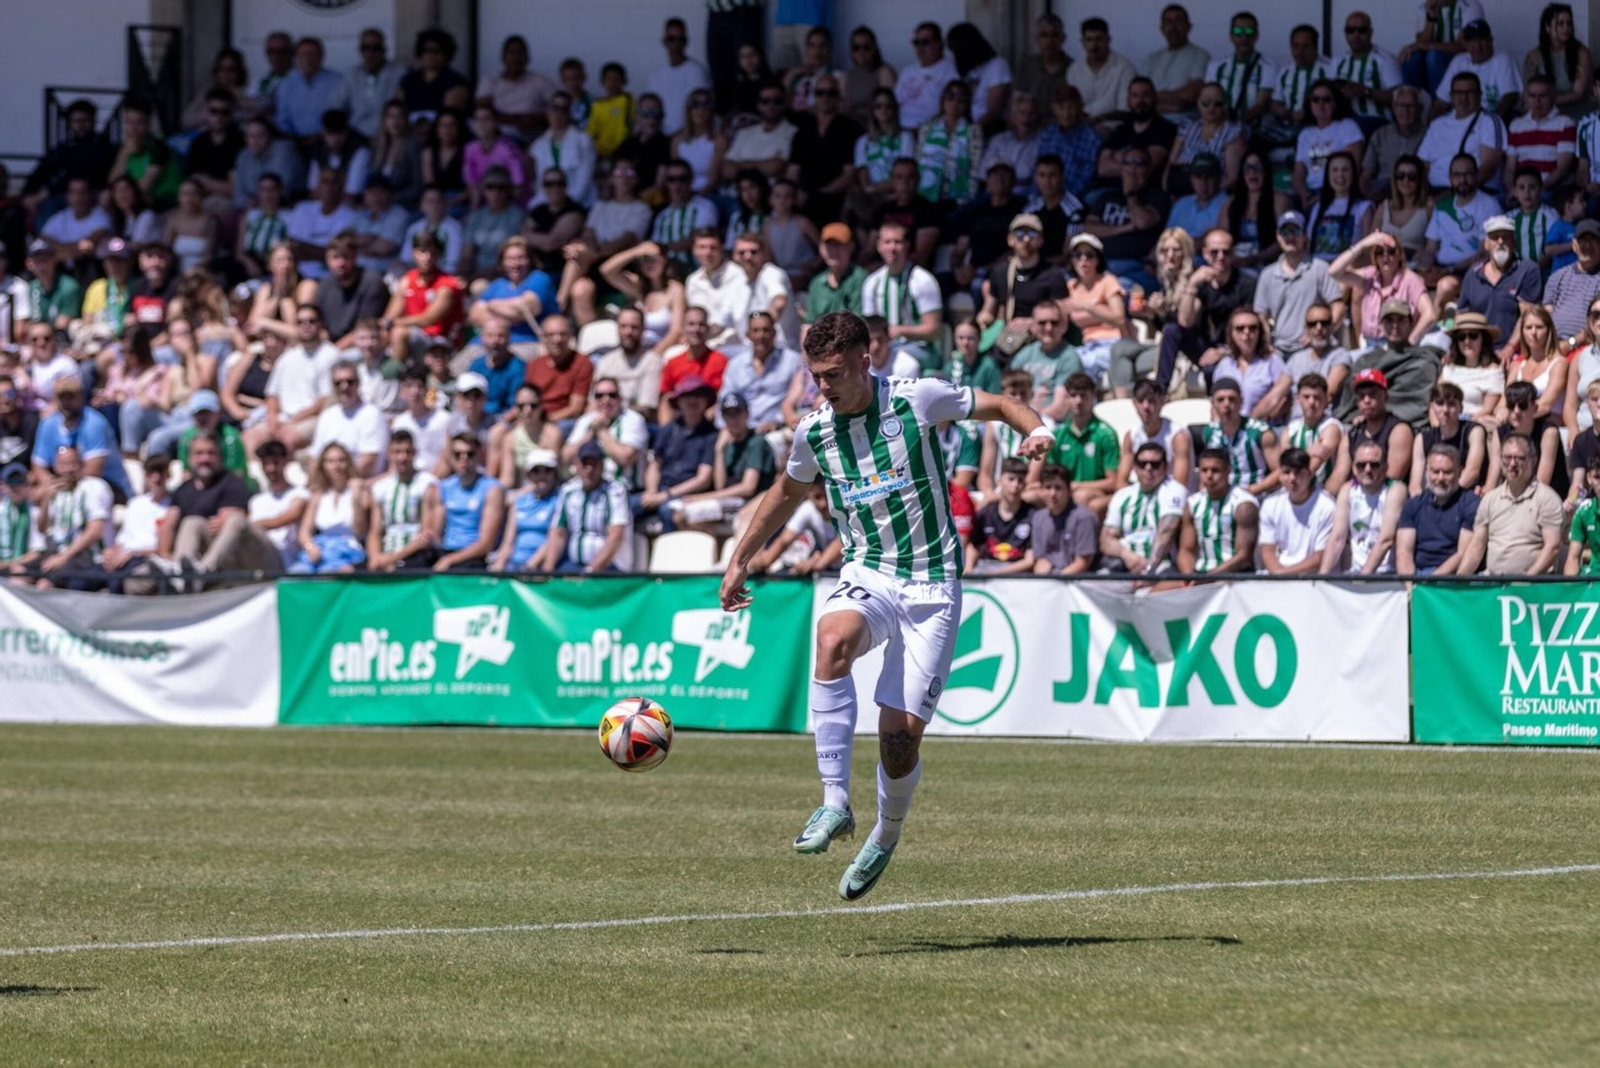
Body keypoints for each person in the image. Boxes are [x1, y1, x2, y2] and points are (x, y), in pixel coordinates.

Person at [719, 311, 1050, 899]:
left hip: (931, 584)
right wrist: (742, 557)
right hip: (868, 571)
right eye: (816, 375)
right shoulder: (815, 431)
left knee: (899, 742)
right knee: (831, 638)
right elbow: (787, 491)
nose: (824, 386)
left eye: (835, 373)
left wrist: (1037, 429)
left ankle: (886, 833)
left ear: (865, 361)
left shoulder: (916, 399)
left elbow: (999, 404)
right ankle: (833, 802)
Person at [134, 432, 281, 593]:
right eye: (199, 454)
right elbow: (168, 525)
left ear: (220, 457)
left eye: (211, 453)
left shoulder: (232, 482)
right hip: (212, 555)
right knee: (192, 522)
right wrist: (166, 555)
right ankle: (181, 575)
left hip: (253, 557)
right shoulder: (184, 490)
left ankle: (204, 572)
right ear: (189, 459)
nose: (205, 458)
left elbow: (224, 526)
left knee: (234, 520)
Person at [1162, 228, 1255, 393]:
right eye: (1214, 252)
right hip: (1206, 346)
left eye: (1225, 252)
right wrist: (1191, 285)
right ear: (1205, 254)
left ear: (1232, 254)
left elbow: (1251, 330)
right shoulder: (1201, 281)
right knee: (1171, 330)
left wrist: (1224, 351)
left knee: (1210, 371)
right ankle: (1159, 391)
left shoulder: (1245, 284)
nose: (1220, 257)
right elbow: (1184, 321)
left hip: (1234, 349)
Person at [1459, 431, 1563, 574]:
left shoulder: (1547, 499)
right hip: (1493, 584)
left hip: (1533, 588)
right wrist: (1457, 583)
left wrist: (1525, 580)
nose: (1512, 464)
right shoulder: (1490, 499)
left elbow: (1553, 547)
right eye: (1507, 457)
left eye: (1520, 458)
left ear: (1533, 460)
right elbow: (1476, 546)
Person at [671, 392, 776, 532]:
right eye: (728, 414)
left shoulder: (756, 442)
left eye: (737, 413)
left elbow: (748, 488)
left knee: (684, 514)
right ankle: (714, 545)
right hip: (729, 500)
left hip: (751, 501)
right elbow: (720, 485)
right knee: (679, 515)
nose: (733, 419)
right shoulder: (725, 443)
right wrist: (719, 450)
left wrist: (702, 498)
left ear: (746, 414)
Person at [1337, 301, 1444, 431]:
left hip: (1414, 428)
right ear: (1381, 326)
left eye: (1400, 320)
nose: (1395, 326)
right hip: (1370, 425)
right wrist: (1358, 416)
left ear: (1411, 324)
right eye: (1389, 321)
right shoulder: (1366, 361)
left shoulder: (1426, 358)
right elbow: (1350, 401)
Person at [1253, 211, 1345, 358]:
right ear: (1278, 236)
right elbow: (1261, 315)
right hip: (1278, 350)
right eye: (1285, 231)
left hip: (1314, 350)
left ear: (1305, 235)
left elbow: (1338, 306)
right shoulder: (1267, 274)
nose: (1290, 237)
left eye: (1296, 231)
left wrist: (1321, 333)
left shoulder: (1319, 268)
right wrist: (1267, 344)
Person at [536, 439, 633, 573]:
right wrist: (548, 570)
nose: (589, 469)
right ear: (576, 465)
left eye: (594, 464)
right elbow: (558, 533)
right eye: (584, 463)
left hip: (609, 568)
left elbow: (615, 536)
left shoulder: (615, 491)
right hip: (574, 565)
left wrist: (590, 571)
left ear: (602, 466)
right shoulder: (568, 491)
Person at [635, 376, 717, 534]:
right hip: (660, 490)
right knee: (625, 507)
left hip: (688, 495)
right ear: (678, 401)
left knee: (669, 512)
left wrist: (665, 496)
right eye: (687, 395)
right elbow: (655, 465)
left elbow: (703, 479)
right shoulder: (668, 429)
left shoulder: (712, 435)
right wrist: (652, 491)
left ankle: (667, 557)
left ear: (706, 401)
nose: (692, 400)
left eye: (698, 395)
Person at [1029, 373, 1119, 516]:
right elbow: (1049, 474)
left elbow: (1113, 482)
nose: (1078, 401)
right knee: (1030, 496)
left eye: (1083, 395)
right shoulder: (1057, 435)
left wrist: (1076, 486)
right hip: (1062, 491)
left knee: (1080, 497)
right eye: (1073, 395)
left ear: (1093, 396)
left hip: (1091, 492)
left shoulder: (1105, 434)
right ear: (1066, 398)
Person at [30, 373, 131, 500]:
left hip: (109, 486)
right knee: (34, 495)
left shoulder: (94, 423)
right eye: (62, 398)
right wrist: (51, 484)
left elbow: (93, 471)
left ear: (81, 396)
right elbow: (38, 465)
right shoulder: (48, 424)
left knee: (90, 489)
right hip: (68, 484)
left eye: (71, 397)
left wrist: (61, 486)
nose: (67, 402)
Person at [859, 222, 943, 372]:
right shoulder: (872, 283)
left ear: (907, 245)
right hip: (883, 347)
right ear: (879, 246)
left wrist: (902, 330)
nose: (892, 247)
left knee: (904, 366)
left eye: (897, 242)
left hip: (920, 348)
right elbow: (869, 326)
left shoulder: (923, 280)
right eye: (887, 242)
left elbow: (935, 330)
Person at [1330, 232, 1434, 349]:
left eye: (1391, 251)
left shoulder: (1410, 280)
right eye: (1380, 252)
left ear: (1399, 255)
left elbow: (1430, 314)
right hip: (1368, 345)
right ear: (1375, 256)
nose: (1385, 256)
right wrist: (1362, 244)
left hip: (1397, 347)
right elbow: (1334, 272)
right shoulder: (1370, 275)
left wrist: (1410, 341)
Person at [1101, 441, 1186, 575]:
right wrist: (1128, 556)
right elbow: (1106, 539)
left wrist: (1149, 569)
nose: (1148, 468)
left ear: (1165, 467)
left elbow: (1167, 533)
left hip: (1161, 565)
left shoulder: (1174, 490)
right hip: (1126, 562)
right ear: (1134, 467)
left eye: (1155, 464)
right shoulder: (1122, 495)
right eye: (1142, 464)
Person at [425, 432, 504, 571]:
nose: (464, 459)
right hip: (446, 551)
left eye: (470, 454)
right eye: (458, 454)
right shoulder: (443, 487)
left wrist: (449, 560)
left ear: (479, 455)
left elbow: (486, 544)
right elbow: (435, 533)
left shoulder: (491, 489)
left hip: (473, 556)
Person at [1397, 443, 1480, 574]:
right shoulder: (1413, 505)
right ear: (1427, 472)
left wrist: (1430, 584)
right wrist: (1410, 585)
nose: (1440, 478)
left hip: (1451, 577)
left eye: (1447, 472)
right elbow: (1403, 551)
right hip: (1416, 574)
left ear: (1459, 472)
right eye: (1435, 472)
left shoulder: (1471, 504)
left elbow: (1462, 553)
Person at [1458, 216, 1542, 343]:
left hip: (1516, 351)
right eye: (1494, 237)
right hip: (1479, 349)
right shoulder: (1473, 274)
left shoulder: (1527, 270)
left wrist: (1510, 347)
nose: (1500, 241)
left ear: (1515, 241)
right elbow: (1462, 315)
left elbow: (1528, 316)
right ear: (1486, 244)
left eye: (1506, 237)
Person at [1324, 441, 1404, 573]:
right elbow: (1337, 538)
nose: (1368, 470)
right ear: (1354, 468)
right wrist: (1322, 577)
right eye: (1361, 465)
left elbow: (1386, 540)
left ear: (1385, 467)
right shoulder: (1348, 490)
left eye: (1374, 465)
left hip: (1387, 573)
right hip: (1355, 570)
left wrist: (1364, 578)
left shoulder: (1395, 489)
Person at [287, 443, 367, 574]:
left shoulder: (358, 491)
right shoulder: (319, 495)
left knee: (329, 573)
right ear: (323, 466)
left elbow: (360, 530)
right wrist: (310, 547)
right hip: (321, 548)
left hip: (347, 550)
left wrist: (356, 497)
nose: (336, 466)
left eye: (341, 460)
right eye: (330, 461)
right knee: (296, 573)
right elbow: (304, 532)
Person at [1418, 73, 1506, 191]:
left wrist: (1456, 193)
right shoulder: (1438, 124)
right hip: (1433, 191)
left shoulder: (1489, 121)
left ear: (1480, 95)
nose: (1464, 97)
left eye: (1469, 92)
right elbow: (1423, 164)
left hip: (1472, 191)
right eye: (1459, 93)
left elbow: (1489, 167)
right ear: (1451, 96)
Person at [1179, 447, 1259, 574]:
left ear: (1228, 471)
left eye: (1215, 470)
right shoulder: (1193, 503)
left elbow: (1244, 557)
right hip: (1202, 575)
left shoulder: (1243, 504)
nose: (1209, 476)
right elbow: (1186, 550)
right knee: (1156, 591)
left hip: (1235, 577)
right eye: (1204, 470)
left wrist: (1207, 579)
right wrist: (1188, 576)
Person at [1258, 447, 1336, 573]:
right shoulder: (1270, 504)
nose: (1292, 479)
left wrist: (1284, 574)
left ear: (1310, 474)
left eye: (1298, 472)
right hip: (1277, 575)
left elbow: (1320, 557)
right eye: (1287, 472)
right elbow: (1267, 550)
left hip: (1313, 578)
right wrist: (1277, 572)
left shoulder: (1327, 506)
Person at [1198, 377, 1277, 495]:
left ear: (1241, 401)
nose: (1227, 404)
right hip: (1221, 495)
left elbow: (1280, 471)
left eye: (1232, 399)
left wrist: (1252, 490)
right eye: (1220, 400)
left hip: (1255, 494)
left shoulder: (1260, 432)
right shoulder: (1209, 432)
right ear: (1213, 403)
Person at [309, 361, 388, 478]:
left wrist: (339, 483)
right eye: (338, 383)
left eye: (350, 382)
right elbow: (315, 458)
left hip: (360, 483)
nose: (344, 387)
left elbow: (368, 462)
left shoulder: (371, 414)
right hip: (330, 485)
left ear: (359, 383)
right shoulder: (327, 415)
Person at [492, 447, 564, 572]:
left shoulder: (560, 501)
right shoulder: (519, 502)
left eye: (547, 471)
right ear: (529, 475)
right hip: (514, 563)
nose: (542, 476)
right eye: (536, 471)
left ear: (555, 474)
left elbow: (554, 539)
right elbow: (508, 542)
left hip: (539, 566)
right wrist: (498, 566)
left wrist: (531, 565)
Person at [1412, 381, 1492, 494]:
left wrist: (1445, 498)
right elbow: (1415, 485)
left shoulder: (1473, 431)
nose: (1445, 410)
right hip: (1434, 497)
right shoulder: (1422, 439)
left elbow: (1472, 472)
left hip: (1465, 495)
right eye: (1440, 404)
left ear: (1461, 408)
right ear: (1432, 407)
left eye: (1451, 404)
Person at [1335, 12, 1405, 136]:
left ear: (1370, 32)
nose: (1356, 35)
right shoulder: (1337, 61)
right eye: (1350, 30)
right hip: (1342, 120)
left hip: (1375, 121)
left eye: (1361, 30)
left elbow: (1399, 97)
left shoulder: (1385, 60)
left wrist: (1366, 92)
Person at [966, 457, 1036, 574]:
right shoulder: (985, 514)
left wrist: (999, 573)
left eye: (1020, 480)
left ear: (1025, 484)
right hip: (987, 568)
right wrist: (968, 569)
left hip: (1018, 574)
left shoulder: (1032, 515)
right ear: (999, 481)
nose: (1015, 485)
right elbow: (974, 546)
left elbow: (1030, 560)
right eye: (1011, 479)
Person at [1439, 20, 1522, 119]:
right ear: (1465, 44)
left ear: (1491, 41)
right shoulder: (1459, 61)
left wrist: (1491, 124)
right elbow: (1440, 102)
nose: (1477, 46)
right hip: (1463, 121)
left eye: (1482, 40)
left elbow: (1509, 98)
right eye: (1472, 41)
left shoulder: (1501, 59)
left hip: (1493, 119)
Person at [1207, 12, 1276, 128]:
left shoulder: (1268, 66)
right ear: (1230, 35)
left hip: (1254, 129)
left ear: (1256, 35)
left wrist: (1235, 123)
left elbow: (1261, 105)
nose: (1244, 37)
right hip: (1219, 126)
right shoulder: (1216, 65)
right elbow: (1208, 98)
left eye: (1249, 32)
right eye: (1238, 32)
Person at [1283, 372, 1349, 493]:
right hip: (1293, 491)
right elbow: (1283, 468)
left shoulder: (1331, 427)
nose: (1312, 402)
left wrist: (1296, 457)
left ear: (1326, 399)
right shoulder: (1290, 429)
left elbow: (1314, 466)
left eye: (1317, 397)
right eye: (1306, 397)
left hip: (1321, 492)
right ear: (1298, 399)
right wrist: (1306, 453)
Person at [1028, 464, 1099, 574]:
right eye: (1047, 487)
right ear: (1041, 491)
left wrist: (1058, 579)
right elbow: (1040, 558)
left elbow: (1083, 562)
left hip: (1077, 579)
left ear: (1069, 491)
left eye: (1058, 488)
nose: (1052, 494)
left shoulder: (1084, 518)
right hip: (1048, 576)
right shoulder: (1038, 518)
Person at [645, 18, 711, 137]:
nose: (676, 44)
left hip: (687, 137)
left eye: (681, 39)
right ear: (664, 41)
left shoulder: (697, 72)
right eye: (671, 39)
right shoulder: (656, 76)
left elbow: (701, 111)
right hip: (659, 137)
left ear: (686, 42)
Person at [593, 308, 662, 421]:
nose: (628, 332)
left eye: (634, 327)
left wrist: (614, 414)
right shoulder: (606, 361)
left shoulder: (652, 362)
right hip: (602, 420)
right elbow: (593, 402)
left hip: (636, 423)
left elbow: (647, 409)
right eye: (623, 326)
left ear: (643, 329)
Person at [1362, 91, 1429, 203]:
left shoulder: (1429, 135)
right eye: (1401, 105)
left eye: (1410, 106)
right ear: (1394, 108)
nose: (1405, 111)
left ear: (1420, 109)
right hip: (1381, 191)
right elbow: (1366, 174)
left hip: (1412, 190)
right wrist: (1369, 197)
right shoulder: (1380, 135)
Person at [1526, 3, 1592, 117]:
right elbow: (1528, 92)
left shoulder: (1581, 53)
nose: (1566, 28)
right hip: (1543, 112)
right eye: (1560, 24)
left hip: (1576, 110)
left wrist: (1548, 101)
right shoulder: (1534, 56)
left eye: (1569, 23)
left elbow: (1578, 93)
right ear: (1547, 27)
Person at [1437, 311, 1504, 420]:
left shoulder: (1493, 371)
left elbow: (1488, 410)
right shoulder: (1449, 368)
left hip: (1475, 425)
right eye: (1461, 337)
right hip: (1445, 423)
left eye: (1473, 335)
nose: (1467, 341)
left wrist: (1461, 426)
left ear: (1484, 339)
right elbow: (1436, 400)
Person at [1145, 5, 1210, 118]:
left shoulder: (1200, 55)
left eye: (1178, 21)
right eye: (1168, 22)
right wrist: (1173, 102)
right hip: (1151, 122)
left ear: (1188, 27)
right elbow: (1139, 97)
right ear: (1162, 28)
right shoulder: (1152, 59)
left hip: (1183, 124)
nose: (1173, 27)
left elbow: (1189, 97)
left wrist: (1152, 96)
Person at [1037, 85, 1102, 198]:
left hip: (1074, 198)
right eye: (1061, 107)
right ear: (1054, 108)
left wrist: (1062, 199)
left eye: (1071, 107)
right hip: (1045, 197)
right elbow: (1039, 170)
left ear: (1079, 108)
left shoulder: (1092, 139)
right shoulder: (1047, 134)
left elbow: (1088, 179)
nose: (1066, 114)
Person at [896, 22, 959, 132]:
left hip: (931, 132)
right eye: (916, 43)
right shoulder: (907, 71)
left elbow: (951, 109)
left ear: (939, 43)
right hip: (899, 131)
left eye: (925, 42)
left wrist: (924, 130)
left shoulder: (951, 71)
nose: (920, 48)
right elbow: (895, 102)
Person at [1015, 13, 1073, 112]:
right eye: (1044, 35)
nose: (1049, 41)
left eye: (1054, 35)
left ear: (1063, 39)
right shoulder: (1027, 66)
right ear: (1037, 39)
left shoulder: (1074, 69)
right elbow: (1016, 103)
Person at [1564, 456, 1600, 574]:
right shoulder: (1583, 513)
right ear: (1589, 478)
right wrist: (1570, 588)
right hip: (1593, 578)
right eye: (1597, 477)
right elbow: (1573, 559)